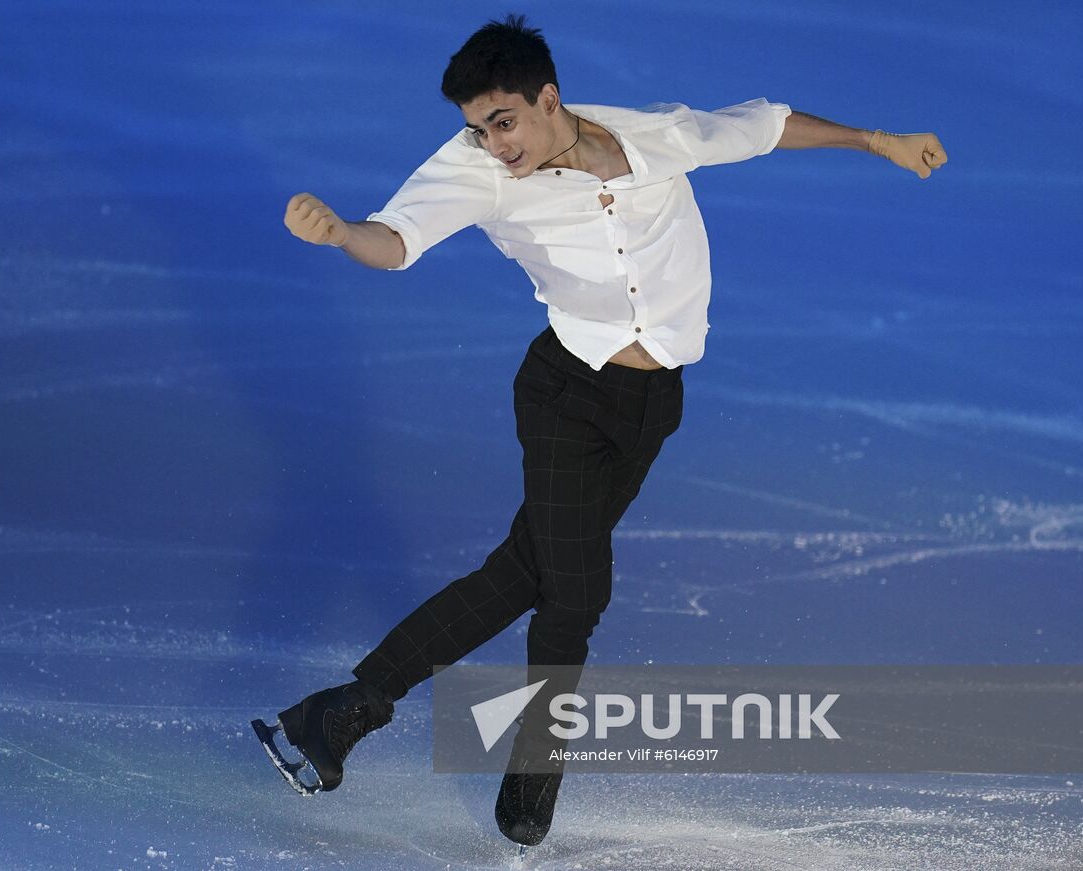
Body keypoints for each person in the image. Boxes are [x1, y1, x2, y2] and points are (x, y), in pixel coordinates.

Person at [251, 13, 947, 847]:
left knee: (525, 572)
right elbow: (397, 241)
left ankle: (339, 709)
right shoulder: (478, 172)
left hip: (653, 404)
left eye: (503, 121)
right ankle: (524, 765)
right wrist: (340, 235)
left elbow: (763, 125)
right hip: (564, 395)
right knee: (576, 591)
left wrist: (880, 142)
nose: (493, 143)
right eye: (477, 127)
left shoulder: (654, 136)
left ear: (549, 98)